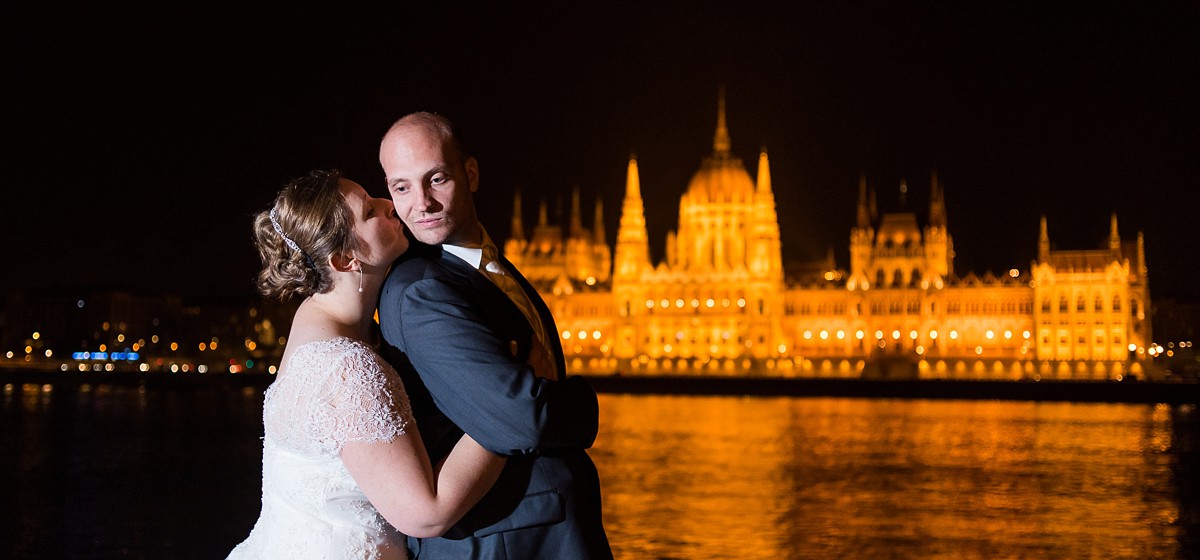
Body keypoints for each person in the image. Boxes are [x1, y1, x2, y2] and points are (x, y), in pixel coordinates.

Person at [228, 169, 506, 560]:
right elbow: (426, 513)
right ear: (344, 259)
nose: (389, 203)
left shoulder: (315, 316)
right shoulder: (346, 369)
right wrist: (505, 412)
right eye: (370, 211)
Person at [376, 112, 613, 559]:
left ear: (470, 173)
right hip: (498, 541)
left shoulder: (485, 266)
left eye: (437, 179)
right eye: (401, 187)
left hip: (545, 532)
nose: (421, 203)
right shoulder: (421, 290)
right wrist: (581, 401)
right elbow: (524, 418)